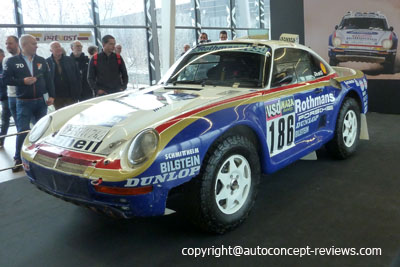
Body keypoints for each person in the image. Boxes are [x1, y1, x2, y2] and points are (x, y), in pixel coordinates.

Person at [3, 34, 55, 172]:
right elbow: (5, 80)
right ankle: (18, 159)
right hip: (23, 102)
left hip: (41, 102)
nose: (36, 46)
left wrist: (52, 96)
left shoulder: (42, 60)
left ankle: (41, 157)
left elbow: (49, 79)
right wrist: (23, 81)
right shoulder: (12, 61)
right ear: (24, 45)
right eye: (33, 43)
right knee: (23, 130)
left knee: (42, 130)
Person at [46, 41, 81, 110]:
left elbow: (78, 77)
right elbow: (46, 80)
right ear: (51, 50)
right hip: (56, 96)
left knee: (72, 114)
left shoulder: (70, 60)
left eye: (59, 46)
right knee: (60, 115)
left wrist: (78, 92)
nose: (59, 48)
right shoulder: (47, 62)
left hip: (71, 95)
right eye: (56, 47)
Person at [0, 48, 10, 149]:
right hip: (4, 98)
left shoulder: (7, 65)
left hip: (13, 97)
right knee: (4, 121)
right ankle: (1, 141)